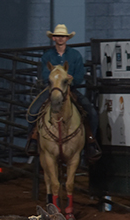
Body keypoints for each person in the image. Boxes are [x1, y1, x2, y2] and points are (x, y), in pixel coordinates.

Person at [26, 24, 102, 162]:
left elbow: (80, 74)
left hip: (69, 89)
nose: (60, 39)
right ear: (54, 38)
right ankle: (34, 139)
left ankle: (91, 141)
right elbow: (44, 74)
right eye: (58, 36)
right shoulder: (47, 56)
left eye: (63, 36)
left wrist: (72, 81)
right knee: (33, 111)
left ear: (66, 38)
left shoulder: (75, 55)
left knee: (91, 113)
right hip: (52, 89)